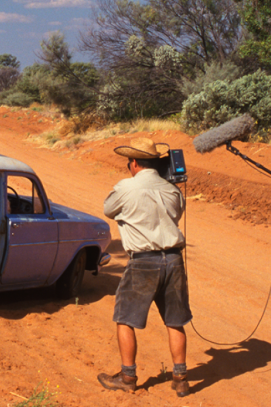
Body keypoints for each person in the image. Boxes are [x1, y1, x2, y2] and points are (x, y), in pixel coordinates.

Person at [97, 138, 192, 397]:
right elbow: (177, 214)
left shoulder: (126, 187)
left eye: (129, 163)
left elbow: (109, 209)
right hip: (173, 259)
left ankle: (128, 376)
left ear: (135, 163)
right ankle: (181, 377)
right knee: (175, 320)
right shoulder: (173, 190)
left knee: (125, 318)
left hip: (143, 261)